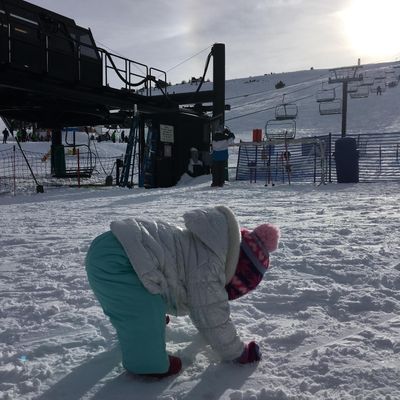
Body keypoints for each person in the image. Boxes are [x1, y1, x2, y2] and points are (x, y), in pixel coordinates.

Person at [85, 206, 280, 378]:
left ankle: (150, 321)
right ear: (237, 271)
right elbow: (211, 315)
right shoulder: (210, 267)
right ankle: (147, 364)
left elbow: (173, 279)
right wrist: (238, 352)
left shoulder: (207, 244)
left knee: (142, 298)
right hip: (118, 259)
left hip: (116, 247)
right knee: (143, 313)